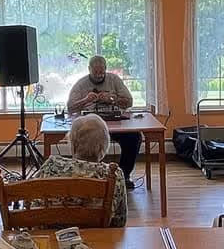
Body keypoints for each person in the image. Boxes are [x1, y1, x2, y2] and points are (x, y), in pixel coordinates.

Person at [30, 114, 127, 227]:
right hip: (97, 238)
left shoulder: (52, 166)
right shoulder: (114, 174)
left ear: (73, 143)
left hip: (52, 238)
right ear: (104, 145)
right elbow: (120, 221)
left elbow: (32, 206)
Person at [66, 56, 141, 189]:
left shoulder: (114, 80)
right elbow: (70, 108)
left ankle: (124, 175)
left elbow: (129, 102)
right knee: (85, 140)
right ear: (89, 69)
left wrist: (112, 99)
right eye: (96, 72)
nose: (100, 75)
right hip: (90, 126)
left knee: (134, 137)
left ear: (106, 69)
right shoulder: (81, 83)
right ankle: (84, 176)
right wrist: (85, 100)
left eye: (102, 72)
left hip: (114, 122)